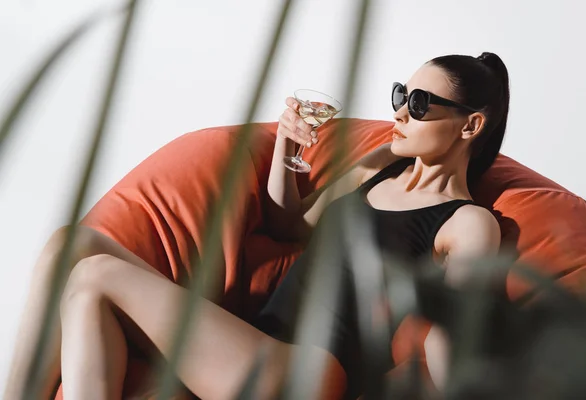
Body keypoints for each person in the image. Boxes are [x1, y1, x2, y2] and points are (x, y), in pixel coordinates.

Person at [4, 52, 509, 400]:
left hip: (307, 372)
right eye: (401, 94)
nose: (399, 111)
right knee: (69, 246)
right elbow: (289, 223)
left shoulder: (469, 222)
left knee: (94, 277)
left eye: (419, 104)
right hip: (256, 344)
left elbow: (455, 342)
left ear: (470, 125)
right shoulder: (380, 163)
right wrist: (288, 150)